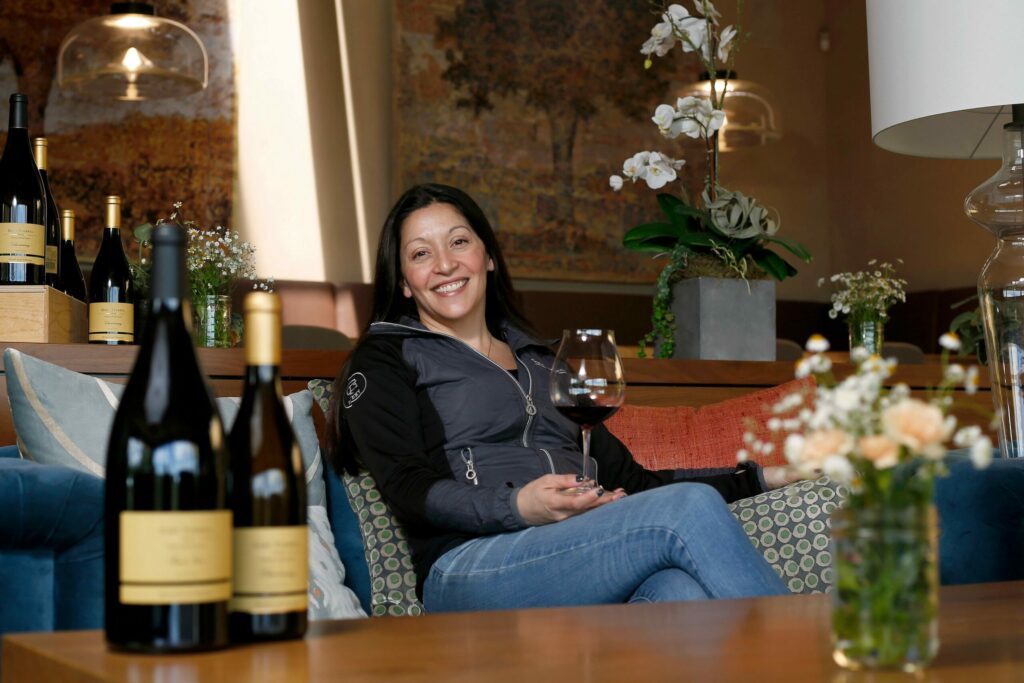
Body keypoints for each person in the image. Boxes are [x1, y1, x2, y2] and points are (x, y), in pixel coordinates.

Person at [328, 182, 801, 612]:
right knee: (690, 508)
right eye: (420, 254)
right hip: (469, 566)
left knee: (678, 592)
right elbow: (409, 488)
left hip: (573, 548)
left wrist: (765, 476)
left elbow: (635, 482)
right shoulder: (385, 358)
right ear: (404, 281)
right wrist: (517, 506)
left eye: (458, 242)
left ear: (487, 256)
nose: (445, 264)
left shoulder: (545, 360)